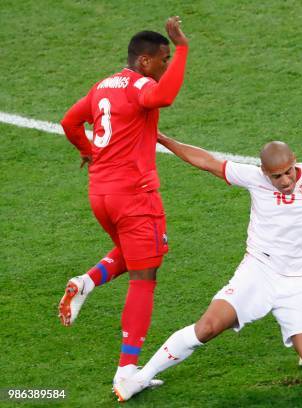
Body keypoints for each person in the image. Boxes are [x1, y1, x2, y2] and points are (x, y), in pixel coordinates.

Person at [113, 133, 302, 401]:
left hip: (299, 281)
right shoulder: (253, 177)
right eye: (277, 176)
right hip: (258, 271)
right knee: (208, 327)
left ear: (294, 161)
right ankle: (142, 377)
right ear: (265, 173)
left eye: (289, 171)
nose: (286, 180)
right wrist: (162, 138)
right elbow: (206, 161)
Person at [58, 16, 189, 386]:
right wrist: (183, 48)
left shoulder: (102, 86)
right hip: (134, 196)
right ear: (145, 61)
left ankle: (85, 283)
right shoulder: (139, 86)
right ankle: (127, 372)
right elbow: (164, 96)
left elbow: (69, 121)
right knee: (145, 276)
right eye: (163, 60)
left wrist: (88, 151)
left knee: (137, 254)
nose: (165, 67)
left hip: (101, 194)